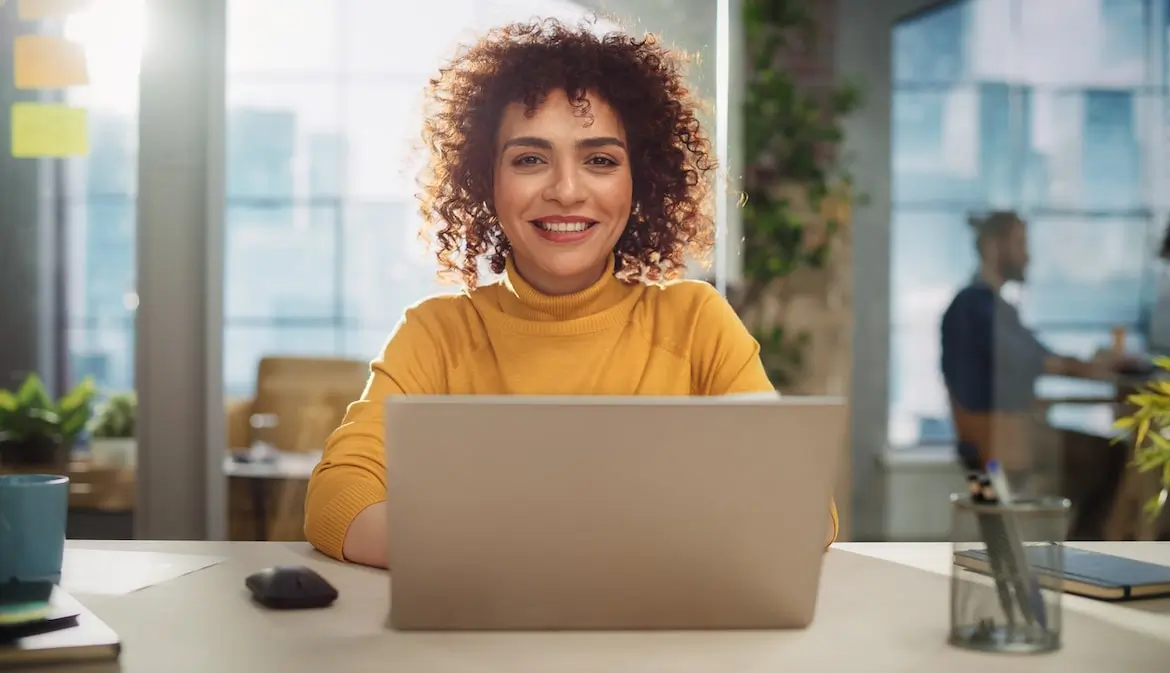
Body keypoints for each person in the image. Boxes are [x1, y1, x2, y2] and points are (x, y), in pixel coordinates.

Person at [304, 18, 838, 568]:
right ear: (486, 178)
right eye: (530, 159)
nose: (565, 190)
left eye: (600, 160)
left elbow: (805, 511)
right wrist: (522, 556)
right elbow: (338, 497)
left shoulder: (696, 321)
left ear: (642, 180)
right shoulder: (436, 334)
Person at [939, 210, 1129, 539]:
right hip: (999, 438)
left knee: (1103, 457)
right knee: (1113, 455)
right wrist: (1095, 368)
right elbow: (1035, 360)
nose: (1028, 255)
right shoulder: (976, 306)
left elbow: (1030, 360)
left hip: (1001, 432)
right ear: (994, 247)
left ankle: (1081, 549)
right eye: (1020, 243)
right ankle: (1087, 554)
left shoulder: (989, 306)